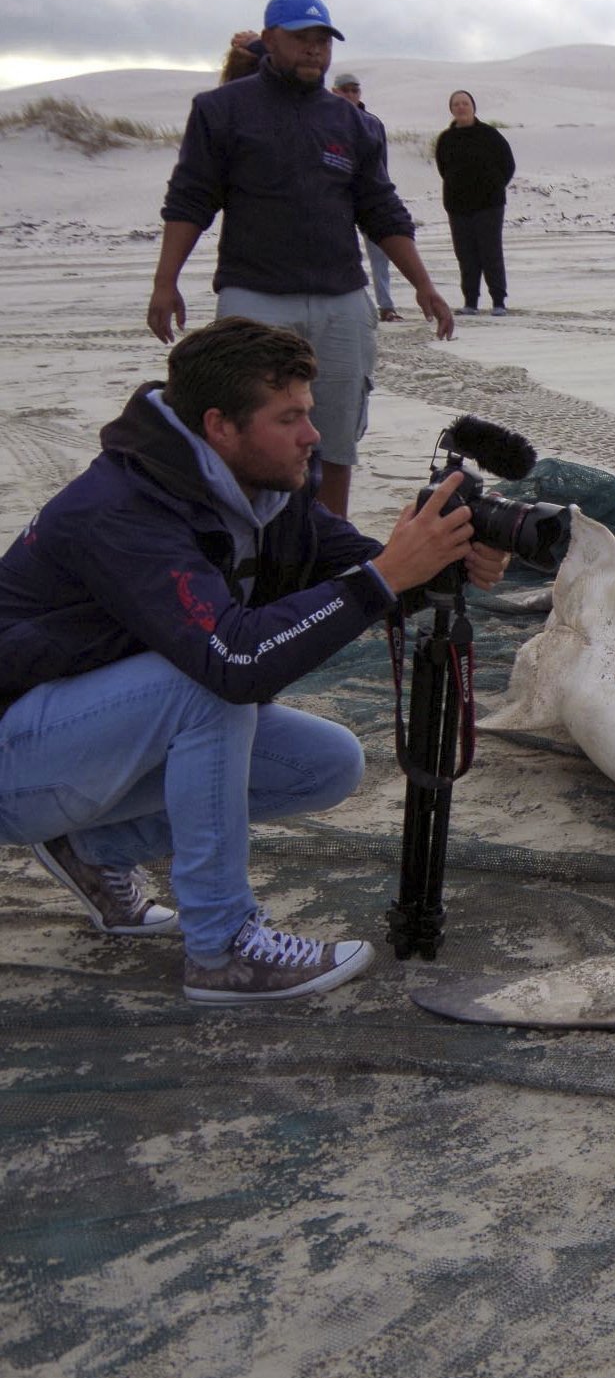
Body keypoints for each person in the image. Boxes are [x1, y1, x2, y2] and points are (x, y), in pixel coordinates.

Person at [0, 318, 507, 1003]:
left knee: (325, 763)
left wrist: (435, 560)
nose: (313, 435)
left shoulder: (263, 488)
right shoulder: (120, 510)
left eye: (309, 413)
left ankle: (91, 848)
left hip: (86, 737)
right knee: (209, 686)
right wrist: (385, 577)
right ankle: (223, 951)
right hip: (15, 756)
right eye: (289, 418)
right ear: (219, 426)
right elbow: (236, 661)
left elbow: (352, 569)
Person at [151, 0, 455, 520]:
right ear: (270, 40)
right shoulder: (221, 110)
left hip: (342, 303)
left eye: (323, 40)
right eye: (301, 38)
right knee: (250, 439)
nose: (314, 49)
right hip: (255, 300)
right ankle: (252, 547)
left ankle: (329, 547)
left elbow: (381, 210)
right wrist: (165, 282)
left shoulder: (354, 123)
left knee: (334, 441)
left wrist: (423, 285)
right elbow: (191, 199)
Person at [434, 90, 518, 317]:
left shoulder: (489, 134)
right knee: (465, 254)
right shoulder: (446, 139)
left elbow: (508, 164)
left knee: (490, 252)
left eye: (465, 103)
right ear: (451, 109)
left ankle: (498, 301)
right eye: (456, 104)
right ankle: (470, 302)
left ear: (473, 107)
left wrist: (495, 187)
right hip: (458, 206)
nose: (461, 107)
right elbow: (443, 168)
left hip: (489, 205)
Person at [331, 73, 403, 323]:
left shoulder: (372, 123)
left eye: (355, 90)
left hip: (369, 196)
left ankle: (386, 305)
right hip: (336, 197)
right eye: (345, 90)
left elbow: (381, 163)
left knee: (379, 252)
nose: (350, 94)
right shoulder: (325, 120)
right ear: (335, 91)